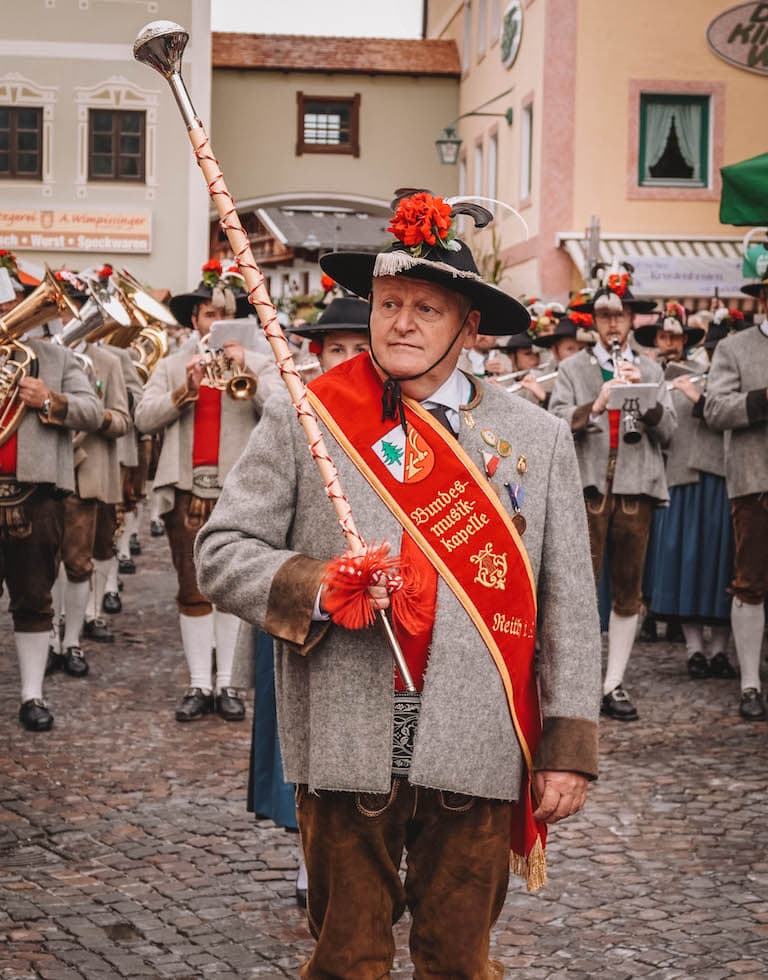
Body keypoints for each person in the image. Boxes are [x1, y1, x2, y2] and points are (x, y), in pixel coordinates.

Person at [195, 190, 600, 978]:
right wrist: (319, 583)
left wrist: (569, 748)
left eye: (425, 307)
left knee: (458, 961)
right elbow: (223, 552)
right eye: (387, 304)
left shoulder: (538, 440)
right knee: (348, 960)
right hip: (347, 733)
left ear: (469, 327)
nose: (401, 323)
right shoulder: (309, 419)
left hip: (477, 745)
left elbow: (570, 607)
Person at [244, 294, 371, 909]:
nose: (347, 358)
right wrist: (310, 585)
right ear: (316, 356)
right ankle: (306, 854)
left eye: (357, 348)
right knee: (300, 745)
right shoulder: (294, 413)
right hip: (306, 617)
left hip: (377, 621)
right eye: (335, 349)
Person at [135, 260, 282, 723]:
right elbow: (143, 417)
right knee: (192, 589)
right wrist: (184, 391)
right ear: (194, 321)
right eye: (205, 316)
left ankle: (227, 685)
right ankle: (200, 683)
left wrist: (247, 370)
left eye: (224, 316)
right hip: (187, 491)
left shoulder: (260, 362)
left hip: (240, 493)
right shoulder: (174, 364)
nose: (214, 324)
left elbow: (284, 410)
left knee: (232, 592)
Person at [549, 262, 676, 722]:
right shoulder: (572, 369)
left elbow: (671, 434)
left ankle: (613, 682)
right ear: (595, 322)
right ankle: (576, 682)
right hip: (588, 492)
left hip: (635, 490)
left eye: (621, 316)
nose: (614, 324)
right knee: (579, 589)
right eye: (606, 317)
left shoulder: (648, 367)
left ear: (632, 321)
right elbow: (556, 422)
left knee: (628, 589)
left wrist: (651, 405)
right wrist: (596, 404)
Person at [0, 254, 102, 730]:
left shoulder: (58, 357)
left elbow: (94, 413)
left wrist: (51, 400)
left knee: (34, 597)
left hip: (35, 494)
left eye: (8, 305)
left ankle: (32, 694)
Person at [634, 305, 736, 681]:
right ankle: (694, 650)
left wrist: (698, 397)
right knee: (687, 570)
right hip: (678, 480)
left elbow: (729, 414)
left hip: (723, 480)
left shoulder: (717, 383)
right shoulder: (672, 376)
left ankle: (722, 651)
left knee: (721, 568)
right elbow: (663, 430)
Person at [704, 273, 768, 721]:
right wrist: (762, 400)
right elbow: (714, 408)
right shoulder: (734, 347)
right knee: (750, 584)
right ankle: (750, 683)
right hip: (755, 482)